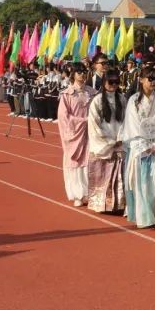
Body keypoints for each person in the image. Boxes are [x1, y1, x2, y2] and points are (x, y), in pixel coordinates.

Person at [123, 66, 155, 229]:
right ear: (141, 80)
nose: (153, 82)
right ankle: (145, 215)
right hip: (141, 146)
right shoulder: (133, 101)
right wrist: (144, 145)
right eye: (150, 78)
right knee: (143, 183)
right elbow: (132, 125)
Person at [86, 68, 127, 214]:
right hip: (104, 144)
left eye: (117, 82)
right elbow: (94, 124)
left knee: (119, 178)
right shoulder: (96, 101)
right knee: (103, 177)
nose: (114, 85)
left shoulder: (122, 99)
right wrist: (109, 142)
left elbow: (126, 121)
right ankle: (102, 205)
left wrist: (120, 138)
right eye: (111, 82)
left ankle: (118, 204)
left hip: (119, 142)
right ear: (104, 83)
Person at [57, 63, 94, 207]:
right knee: (76, 162)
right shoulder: (67, 94)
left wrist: (93, 122)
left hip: (91, 132)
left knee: (90, 161)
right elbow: (64, 118)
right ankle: (78, 194)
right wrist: (83, 121)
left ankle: (89, 192)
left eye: (84, 71)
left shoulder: (92, 92)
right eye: (79, 72)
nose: (82, 74)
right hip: (75, 134)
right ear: (73, 74)